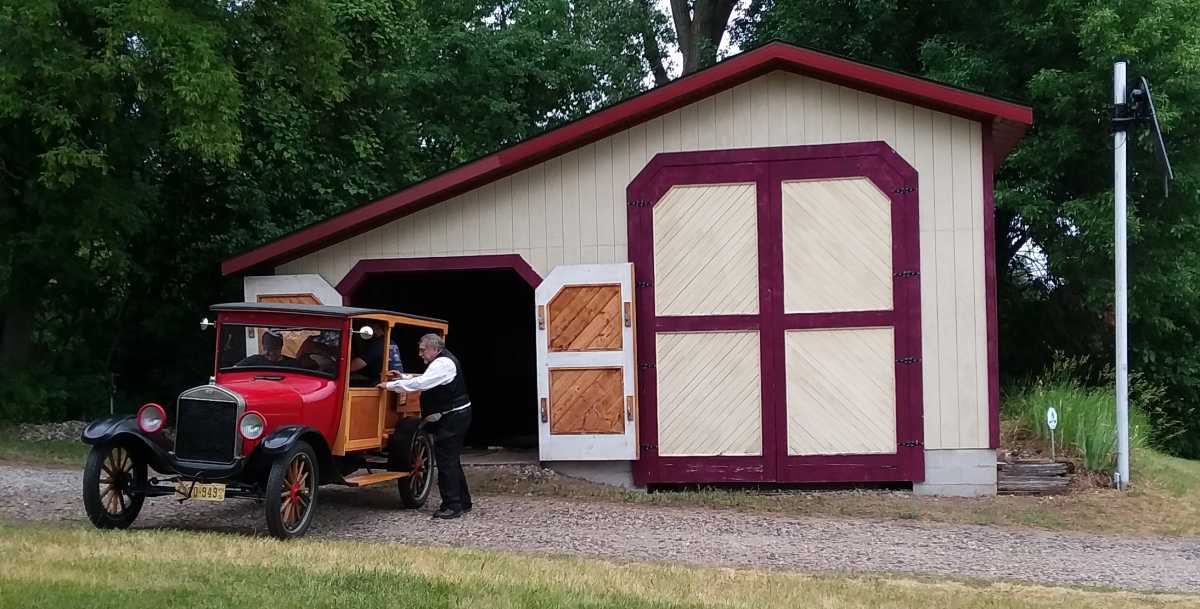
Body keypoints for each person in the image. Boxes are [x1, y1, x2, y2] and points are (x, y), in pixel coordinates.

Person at [377, 333, 471, 519]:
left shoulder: (442, 363)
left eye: (423, 350)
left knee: (445, 460)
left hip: (453, 416)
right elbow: (428, 378)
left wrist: (390, 386)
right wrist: (403, 376)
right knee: (452, 459)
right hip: (455, 414)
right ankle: (463, 500)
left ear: (435, 349)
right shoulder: (440, 362)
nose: (420, 354)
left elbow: (423, 382)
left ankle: (452, 506)